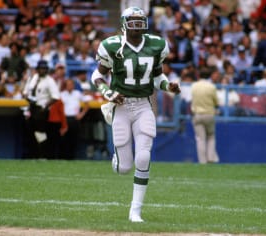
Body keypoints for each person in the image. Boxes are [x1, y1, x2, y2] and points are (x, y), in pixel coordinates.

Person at [90, 7, 180, 223]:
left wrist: (168, 85)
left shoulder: (156, 44)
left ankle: (135, 211)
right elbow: (97, 75)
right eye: (133, 21)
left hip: (143, 105)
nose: (137, 25)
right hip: (121, 107)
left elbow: (158, 78)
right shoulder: (112, 46)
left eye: (140, 21)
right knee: (124, 168)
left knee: (144, 156)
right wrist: (108, 92)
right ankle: (118, 159)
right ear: (124, 23)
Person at [22, 59, 60, 158]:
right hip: (31, 107)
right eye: (40, 68)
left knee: (40, 132)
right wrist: (28, 98)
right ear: (37, 69)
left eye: (44, 68)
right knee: (30, 132)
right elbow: (26, 92)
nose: (42, 70)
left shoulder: (49, 80)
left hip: (41, 108)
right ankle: (34, 153)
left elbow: (55, 96)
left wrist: (46, 106)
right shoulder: (33, 78)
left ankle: (43, 154)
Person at [190, 72, 219, 164]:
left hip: (197, 114)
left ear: (199, 76)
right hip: (209, 114)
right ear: (209, 76)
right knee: (211, 136)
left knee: (200, 139)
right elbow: (216, 103)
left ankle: (202, 161)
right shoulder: (212, 87)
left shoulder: (194, 86)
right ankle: (210, 158)